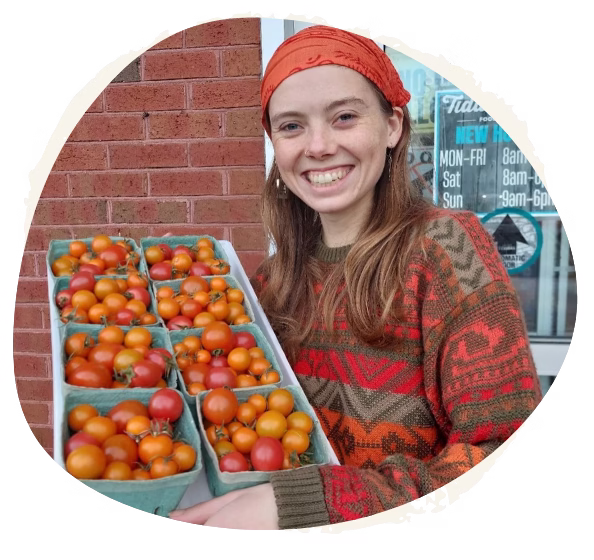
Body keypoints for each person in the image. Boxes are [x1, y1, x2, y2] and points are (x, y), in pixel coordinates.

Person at [168, 25, 542, 530]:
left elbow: (497, 447)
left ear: (392, 126)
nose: (318, 146)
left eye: (345, 117)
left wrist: (307, 502)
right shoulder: (269, 283)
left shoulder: (445, 252)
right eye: (291, 126)